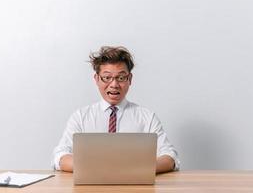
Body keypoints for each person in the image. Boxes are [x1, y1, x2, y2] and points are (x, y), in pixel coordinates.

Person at [52, 46, 180, 173]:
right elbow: (60, 156)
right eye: (107, 78)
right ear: (97, 79)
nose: (114, 85)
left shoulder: (146, 117)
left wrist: (137, 169)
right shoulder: (80, 117)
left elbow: (170, 157)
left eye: (121, 78)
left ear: (129, 79)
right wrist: (95, 168)